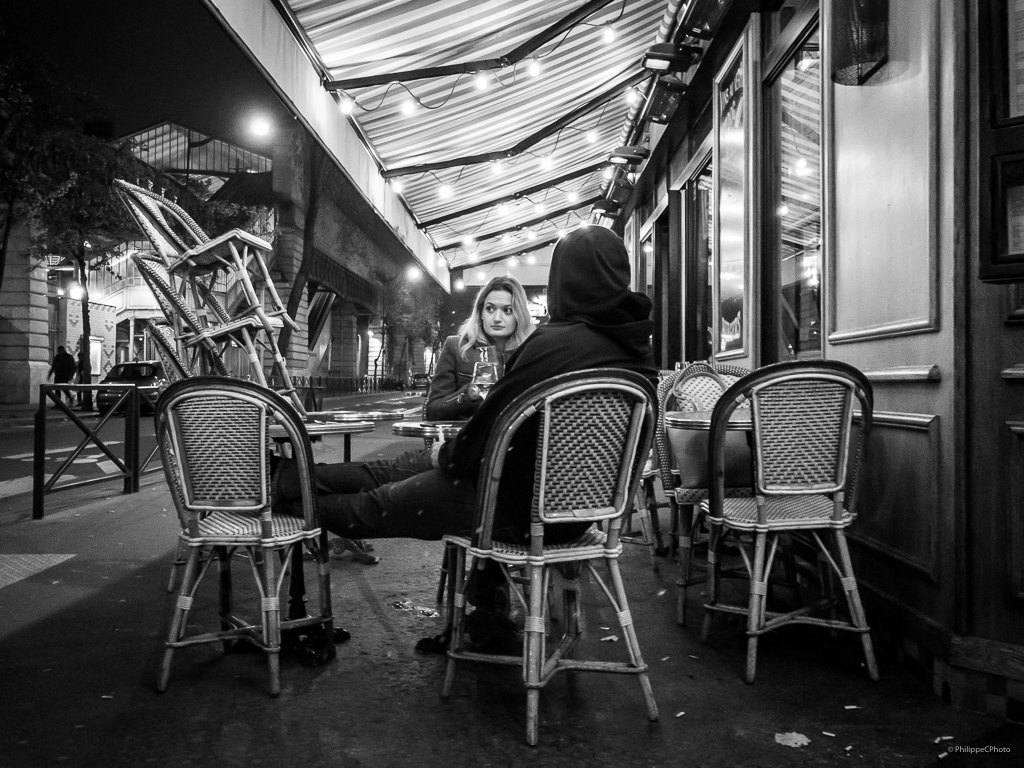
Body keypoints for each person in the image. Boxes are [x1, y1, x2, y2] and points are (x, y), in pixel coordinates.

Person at [274, 226, 656, 649]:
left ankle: (284, 490)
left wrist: (447, 455)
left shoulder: (553, 344)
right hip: (575, 518)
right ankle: (286, 483)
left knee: (376, 502)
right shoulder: (637, 352)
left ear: (564, 281)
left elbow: (487, 433)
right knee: (385, 477)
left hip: (507, 507)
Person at [424, 275, 534, 420]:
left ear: (519, 315)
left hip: (514, 439)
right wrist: (467, 395)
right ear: (480, 312)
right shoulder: (457, 347)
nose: (497, 318)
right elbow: (433, 412)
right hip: (467, 438)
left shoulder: (530, 352)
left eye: (507, 310)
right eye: (490, 309)